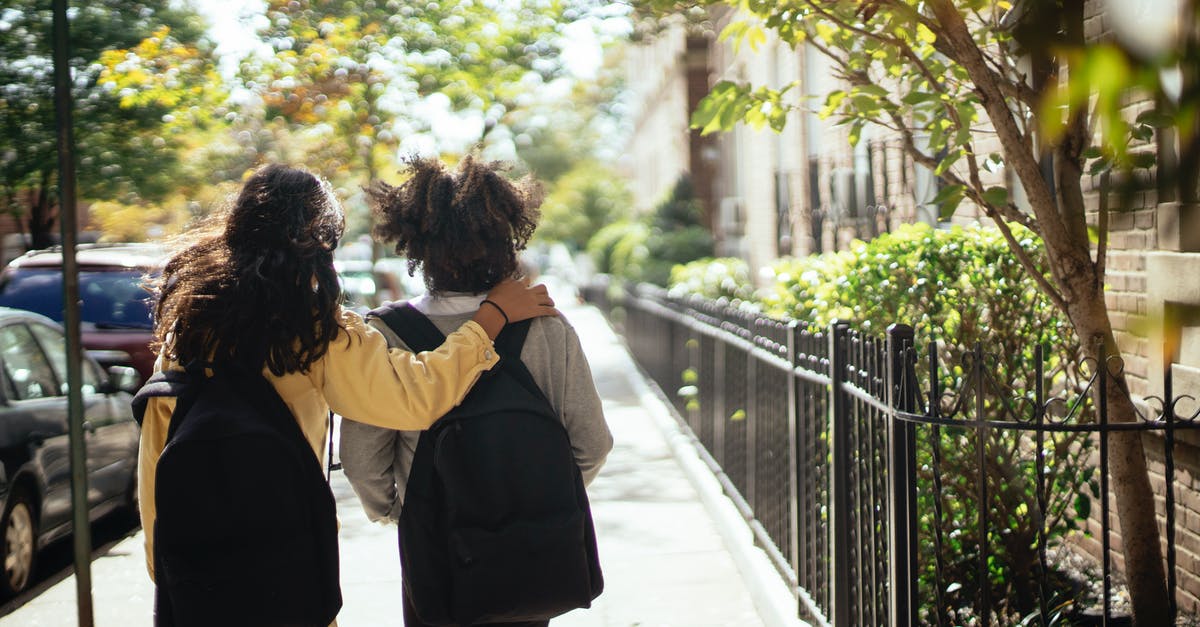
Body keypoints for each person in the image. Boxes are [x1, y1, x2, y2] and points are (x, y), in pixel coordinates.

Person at [138, 164, 558, 624]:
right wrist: (491, 318)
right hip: (282, 557)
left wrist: (165, 569)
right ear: (316, 242)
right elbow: (415, 396)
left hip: (192, 573)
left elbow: (158, 448)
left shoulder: (188, 322)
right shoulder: (308, 332)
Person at [339, 156, 613, 627]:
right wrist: (538, 496)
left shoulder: (386, 335)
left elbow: (363, 459)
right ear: (507, 239)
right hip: (534, 550)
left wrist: (402, 511)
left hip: (438, 550)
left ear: (418, 246)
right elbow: (592, 443)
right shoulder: (548, 327)